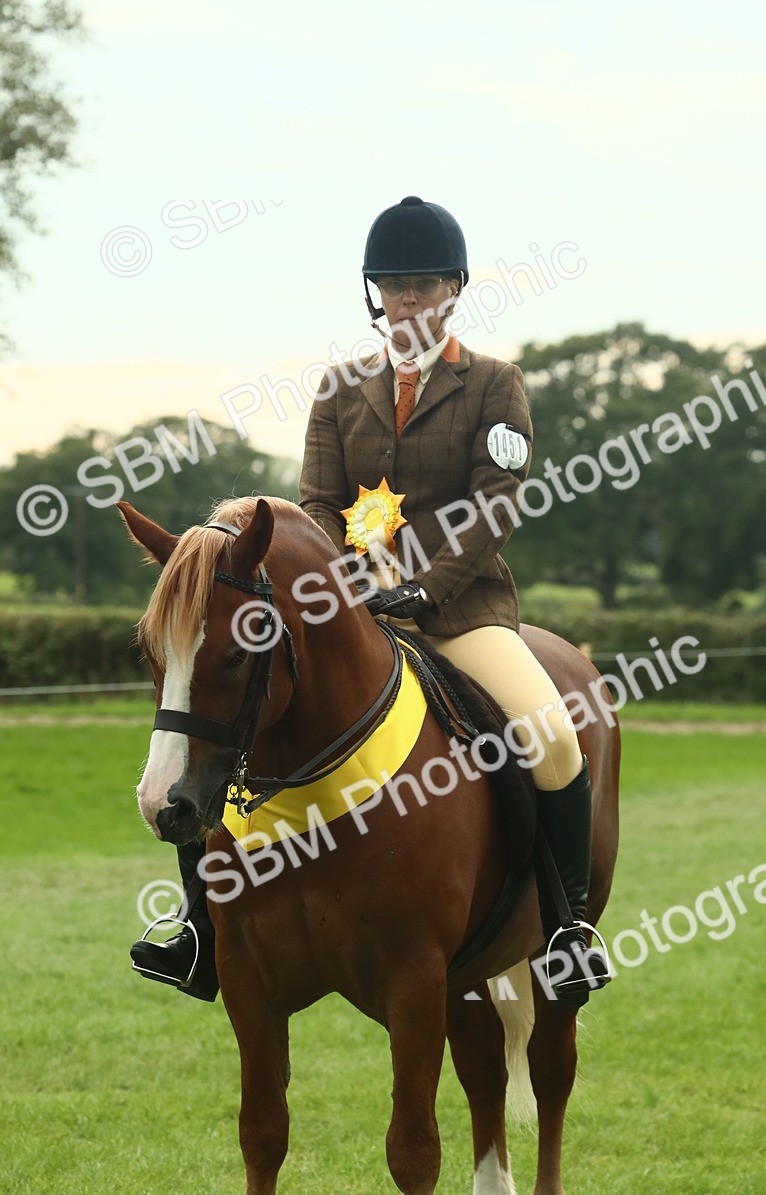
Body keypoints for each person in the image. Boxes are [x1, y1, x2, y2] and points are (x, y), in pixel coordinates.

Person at [131, 196, 609, 1009]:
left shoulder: (495, 384)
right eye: (393, 286)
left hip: (459, 614)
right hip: (348, 616)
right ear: (374, 295)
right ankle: (198, 929)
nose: (407, 299)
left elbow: (496, 504)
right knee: (225, 722)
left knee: (552, 735)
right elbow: (317, 502)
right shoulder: (341, 388)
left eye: (424, 284)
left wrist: (427, 586)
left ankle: (566, 929)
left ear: (454, 290)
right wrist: (339, 582)